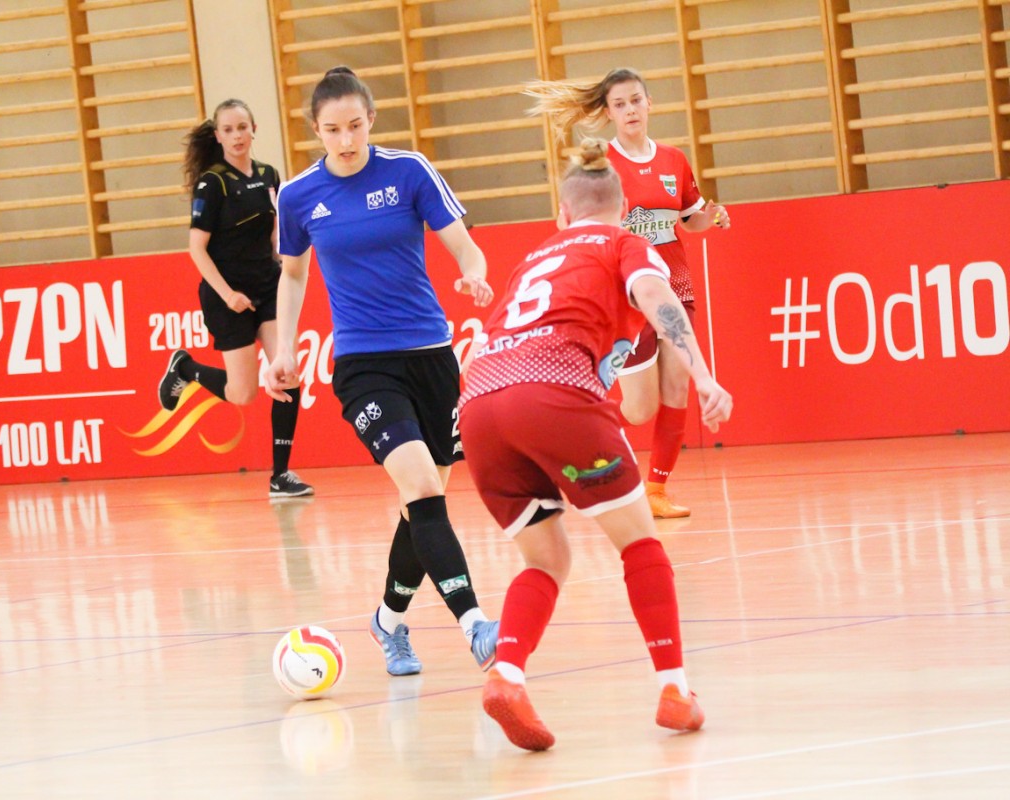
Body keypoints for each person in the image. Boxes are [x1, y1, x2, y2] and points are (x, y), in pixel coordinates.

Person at [457, 139, 733, 751]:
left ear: (561, 213)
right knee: (639, 541)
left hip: (479, 404)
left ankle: (506, 675)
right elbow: (659, 300)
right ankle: (674, 690)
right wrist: (703, 374)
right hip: (553, 392)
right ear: (623, 210)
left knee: (546, 559)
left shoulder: (533, 258)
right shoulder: (624, 243)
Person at [263, 66, 499, 676]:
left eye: (355, 125)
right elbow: (293, 274)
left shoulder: (409, 172)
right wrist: (283, 349)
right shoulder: (298, 196)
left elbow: (463, 243)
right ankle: (476, 624)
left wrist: (473, 273)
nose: (346, 140)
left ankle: (388, 622)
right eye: (332, 129)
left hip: (432, 358)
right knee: (421, 488)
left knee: (422, 502)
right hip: (364, 365)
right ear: (315, 130)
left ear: (371, 119)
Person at [525, 67, 731, 518]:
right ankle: (565, 435)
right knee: (640, 409)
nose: (631, 110)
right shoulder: (602, 165)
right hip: (628, 297)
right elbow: (570, 224)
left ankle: (656, 491)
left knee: (678, 386)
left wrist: (711, 217)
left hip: (674, 289)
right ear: (608, 113)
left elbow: (690, 219)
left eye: (636, 100)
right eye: (620, 104)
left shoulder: (674, 160)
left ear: (649, 103)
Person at [158, 99, 313, 499]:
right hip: (227, 295)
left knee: (287, 371)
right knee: (242, 394)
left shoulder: (268, 175)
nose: (237, 136)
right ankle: (186, 369)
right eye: (228, 130)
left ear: (254, 128)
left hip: (268, 285)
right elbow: (197, 249)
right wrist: (228, 295)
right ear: (218, 136)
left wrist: (286, 264)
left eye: (243, 127)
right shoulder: (213, 183)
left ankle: (281, 474)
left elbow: (275, 232)